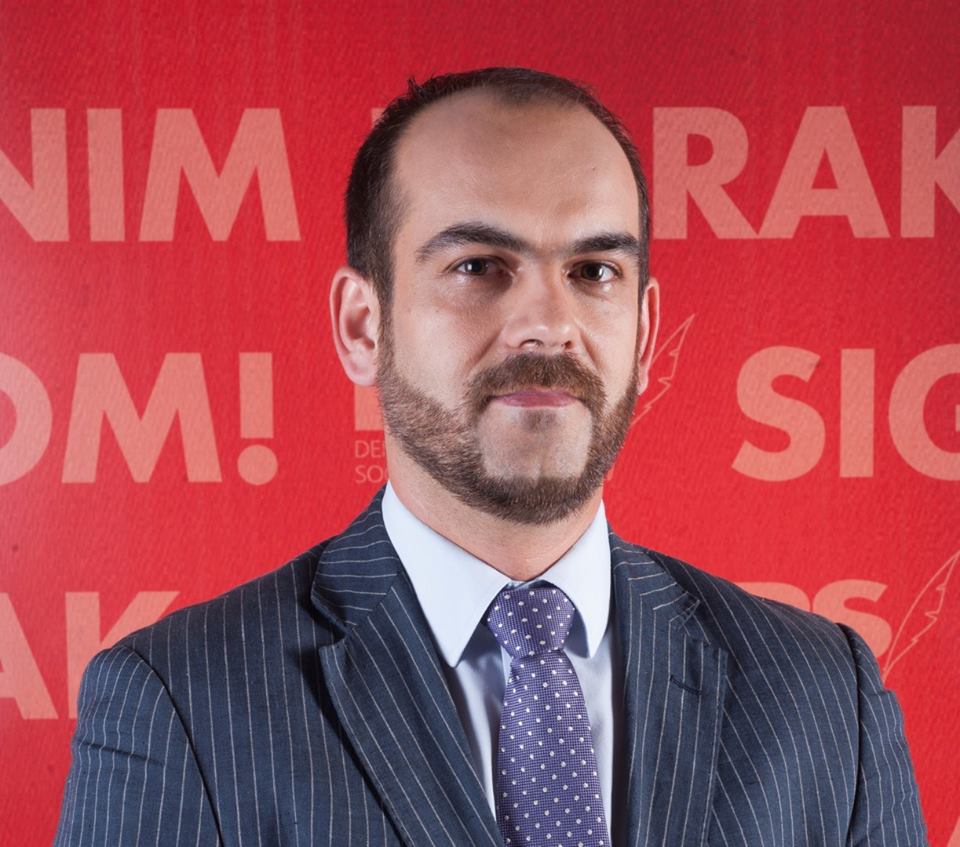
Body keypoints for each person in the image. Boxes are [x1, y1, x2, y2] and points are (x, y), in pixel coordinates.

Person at [54, 67, 927, 846]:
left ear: (645, 332)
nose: (548, 323)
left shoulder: (826, 697)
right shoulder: (183, 704)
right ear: (362, 325)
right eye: (478, 267)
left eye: (594, 271)